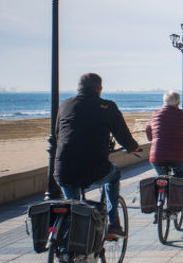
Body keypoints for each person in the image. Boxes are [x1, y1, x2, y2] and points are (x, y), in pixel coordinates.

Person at [54, 73, 140, 239]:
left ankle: (63, 255)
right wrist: (132, 147)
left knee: (72, 207)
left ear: (79, 88)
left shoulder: (65, 104)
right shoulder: (107, 106)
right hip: (94, 169)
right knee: (114, 174)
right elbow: (122, 134)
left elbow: (58, 133)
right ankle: (113, 223)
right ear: (99, 89)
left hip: (64, 169)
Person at [146, 90, 183, 179]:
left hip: (158, 155)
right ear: (178, 102)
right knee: (181, 180)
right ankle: (181, 191)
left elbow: (148, 132)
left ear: (164, 101)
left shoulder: (155, 114)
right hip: (180, 156)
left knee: (161, 178)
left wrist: (152, 138)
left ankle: (160, 191)